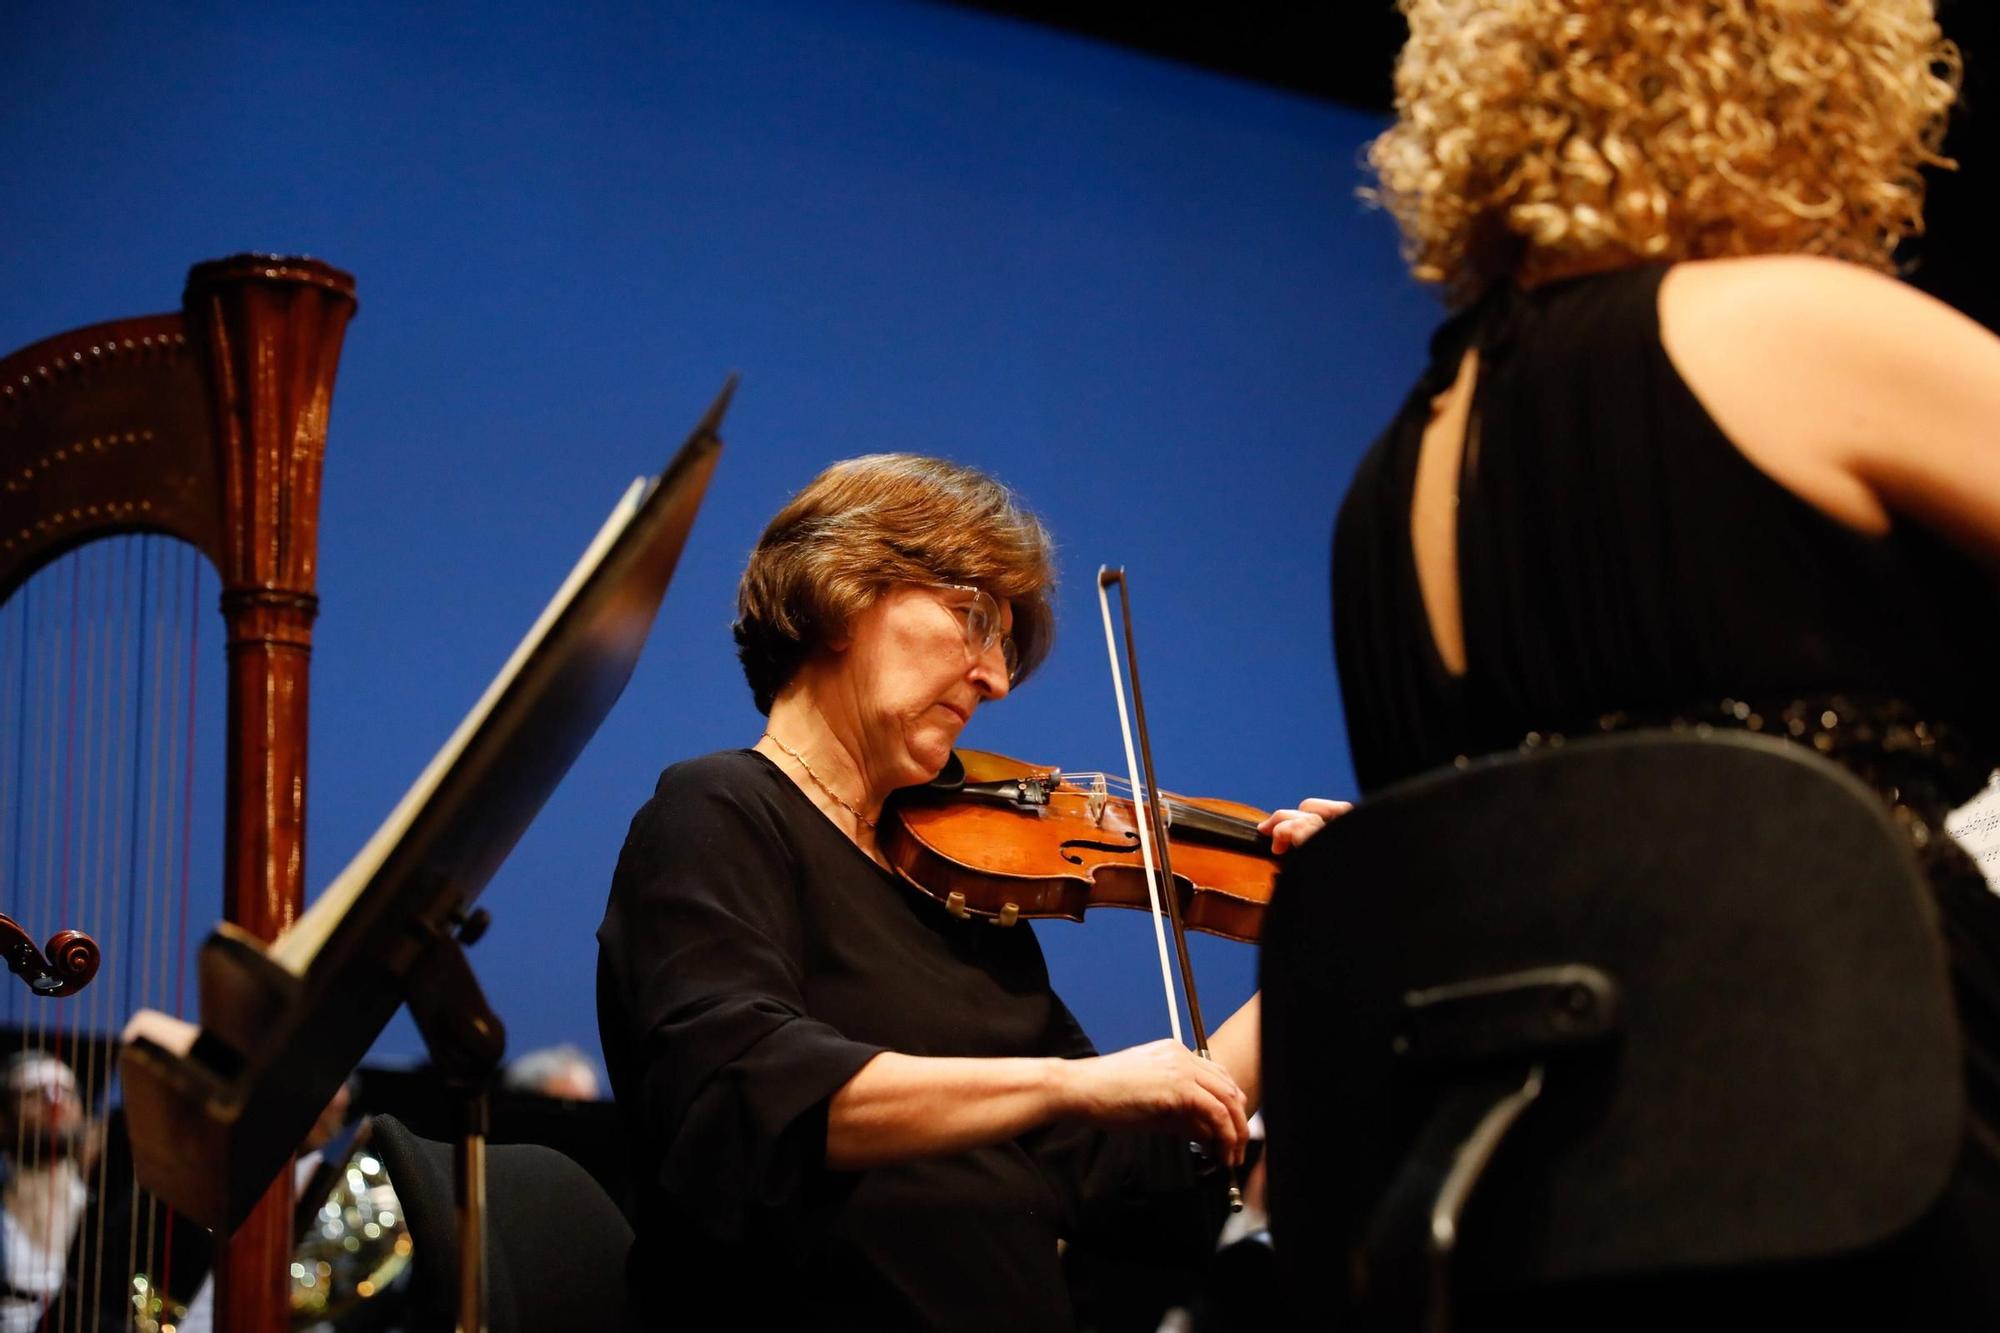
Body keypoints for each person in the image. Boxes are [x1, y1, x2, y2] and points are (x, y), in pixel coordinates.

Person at [1319, 0, 2000, 1322]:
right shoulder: (1800, 328)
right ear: (1810, 78)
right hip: (1899, 1173)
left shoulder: (1385, 484)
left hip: (1547, 1241)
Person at [596, 455, 1268, 1329]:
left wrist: (1313, 943)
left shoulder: (958, 891)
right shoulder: (718, 812)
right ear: (844, 589)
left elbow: (1127, 1177)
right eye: (974, 619)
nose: (993, 679)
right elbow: (747, 1099)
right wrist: (1069, 1084)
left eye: (1005, 649)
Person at [0, 1054, 95, 1333]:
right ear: (4, 1118)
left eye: (66, 1091)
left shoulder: (99, 1210)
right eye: (33, 1094)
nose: (55, 1102)